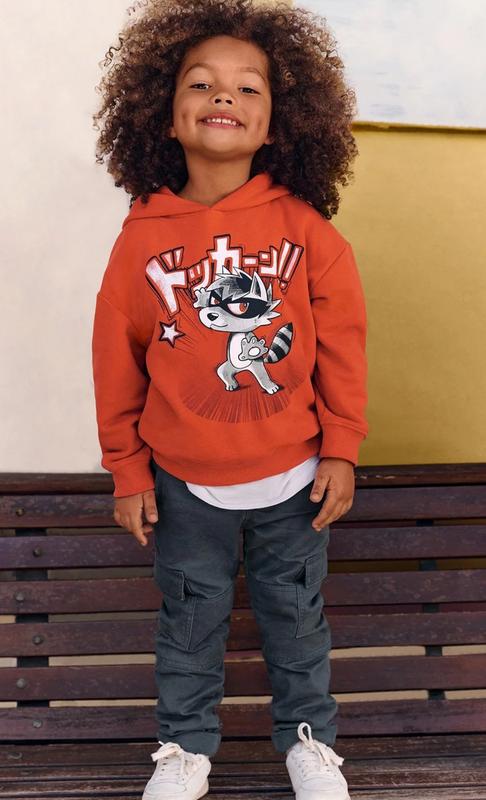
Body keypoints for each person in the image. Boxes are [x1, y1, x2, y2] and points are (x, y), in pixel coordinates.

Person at [91, 1, 368, 798]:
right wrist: (128, 470)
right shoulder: (139, 241)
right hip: (183, 485)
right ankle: (184, 752)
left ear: (280, 122)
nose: (225, 95)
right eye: (202, 83)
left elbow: (343, 344)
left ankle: (310, 743)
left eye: (250, 88)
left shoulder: (309, 233)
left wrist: (343, 447)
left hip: (295, 477)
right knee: (188, 622)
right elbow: (116, 363)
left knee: (297, 618)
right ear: (163, 112)